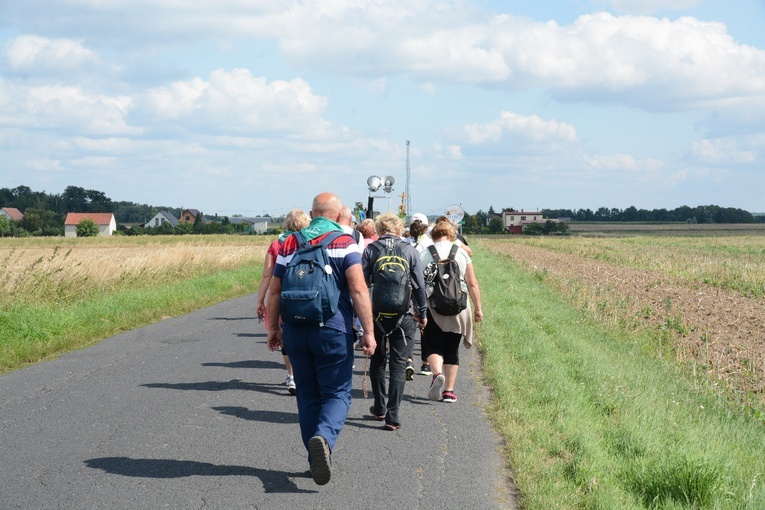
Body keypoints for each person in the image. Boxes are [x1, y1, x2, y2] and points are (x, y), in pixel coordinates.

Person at [266, 192, 376, 486]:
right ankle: (324, 438)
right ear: (339, 215)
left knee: (307, 396)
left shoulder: (290, 242)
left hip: (295, 330)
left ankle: (314, 458)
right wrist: (369, 331)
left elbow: (275, 290)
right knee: (338, 393)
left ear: (313, 214)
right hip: (333, 329)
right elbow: (358, 290)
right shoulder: (344, 241)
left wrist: (273, 330)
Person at [362, 212, 427, 431]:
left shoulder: (371, 250)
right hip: (404, 315)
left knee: (378, 361)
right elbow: (419, 284)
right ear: (399, 229)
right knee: (399, 365)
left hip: (377, 314)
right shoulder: (410, 250)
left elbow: (362, 284)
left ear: (378, 230)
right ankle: (393, 416)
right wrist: (423, 313)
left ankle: (379, 407)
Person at [420, 220, 483, 403]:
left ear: (433, 236)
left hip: (433, 306)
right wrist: (478, 308)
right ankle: (448, 391)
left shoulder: (425, 253)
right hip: (458, 307)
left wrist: (416, 308)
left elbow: (417, 281)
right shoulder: (461, 253)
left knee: (433, 345)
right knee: (452, 349)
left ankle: (437, 373)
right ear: (451, 235)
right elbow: (472, 283)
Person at [255, 208, 310, 395]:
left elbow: (266, 275)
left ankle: (292, 376)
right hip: (306, 295)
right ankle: (305, 375)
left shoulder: (276, 244)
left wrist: (261, 300)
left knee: (285, 335)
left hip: (281, 296)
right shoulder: (311, 242)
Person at [409, 219, 433, 376]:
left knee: (408, 324)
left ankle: (408, 360)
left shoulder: (405, 243)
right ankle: (425, 363)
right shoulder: (428, 245)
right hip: (422, 287)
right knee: (424, 325)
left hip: (406, 287)